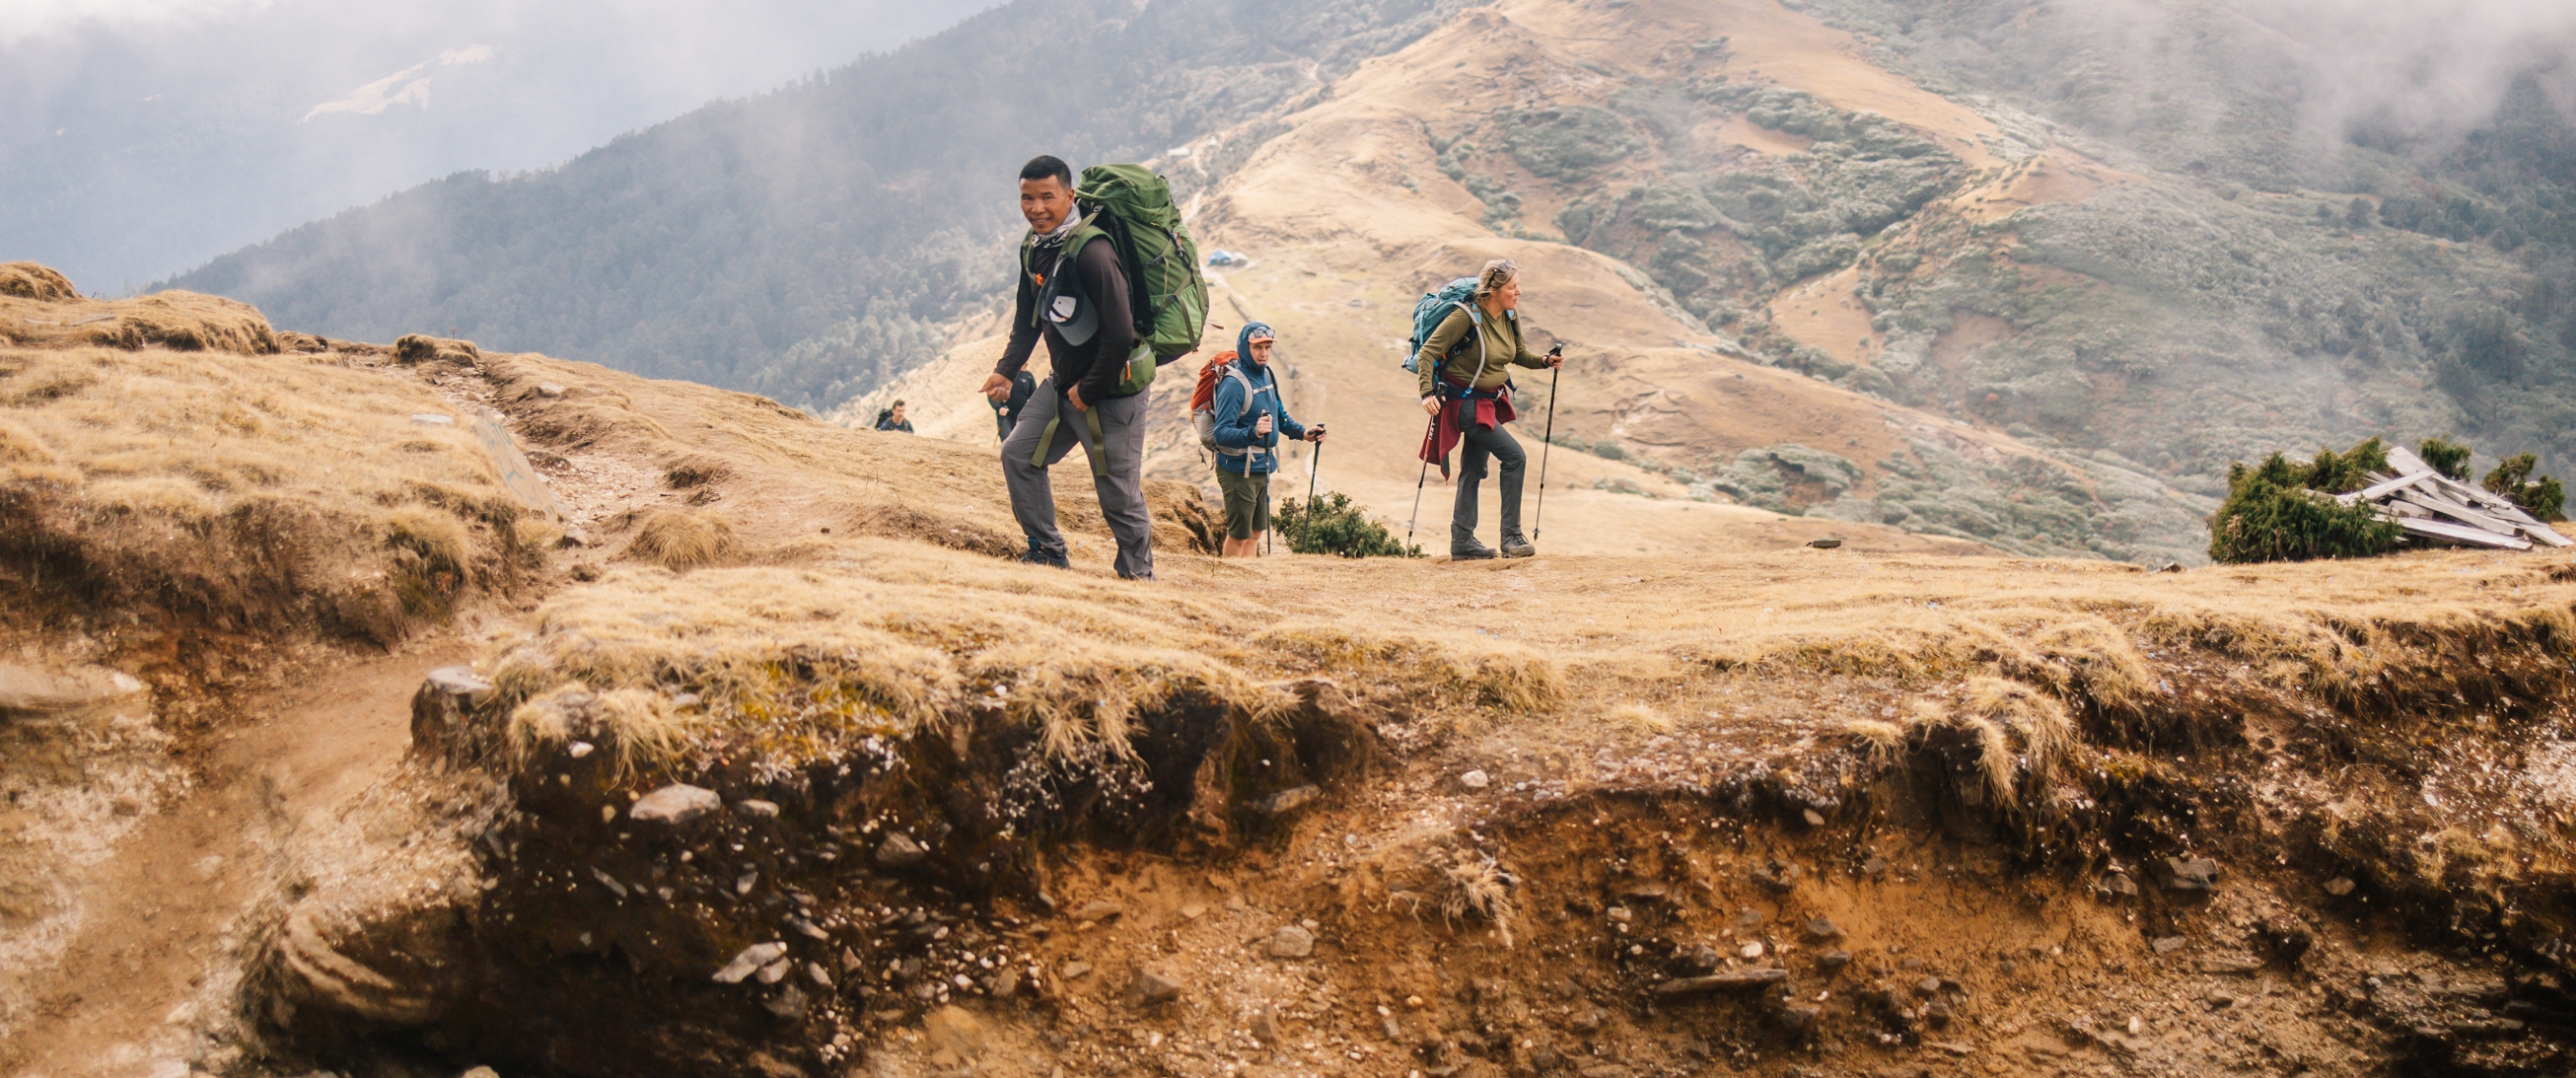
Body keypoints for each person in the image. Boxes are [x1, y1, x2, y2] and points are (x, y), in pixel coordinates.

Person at [980, 155, 1157, 579]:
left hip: (1112, 392)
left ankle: (1138, 576)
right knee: (1018, 455)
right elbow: (1029, 316)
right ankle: (1047, 552)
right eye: (1027, 198)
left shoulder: (1093, 251)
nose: (1036, 208)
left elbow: (1119, 332)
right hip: (1063, 385)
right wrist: (1006, 369)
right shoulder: (1036, 246)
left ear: (1069, 196)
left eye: (1047, 197)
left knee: (1117, 492)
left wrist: (1090, 388)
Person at [1416, 258, 1563, 560]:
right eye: (1513, 286)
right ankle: (1511, 537)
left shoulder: (1509, 315)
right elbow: (1427, 353)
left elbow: (1518, 353)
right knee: (1515, 457)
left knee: (1473, 470)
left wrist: (1544, 361)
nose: (1518, 292)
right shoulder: (1465, 318)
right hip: (1465, 405)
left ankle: (1463, 543)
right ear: (1494, 290)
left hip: (1489, 402)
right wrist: (1426, 392)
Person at [1208, 321, 1322, 557]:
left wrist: (1302, 433)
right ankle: (1228, 583)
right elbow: (1221, 434)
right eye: (1258, 347)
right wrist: (1254, 432)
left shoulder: (1267, 375)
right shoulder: (1234, 384)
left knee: (1255, 533)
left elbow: (1279, 414)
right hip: (1238, 471)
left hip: (1262, 467)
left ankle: (1248, 582)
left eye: (1268, 347)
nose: (1264, 353)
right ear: (1245, 347)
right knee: (1239, 534)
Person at [989, 370, 1036, 442]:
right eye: (1024, 363)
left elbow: (1034, 396)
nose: (1026, 364)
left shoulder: (1028, 376)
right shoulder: (1000, 376)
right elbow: (992, 394)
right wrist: (999, 408)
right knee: (1007, 440)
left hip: (1021, 415)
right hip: (1005, 414)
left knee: (1019, 441)